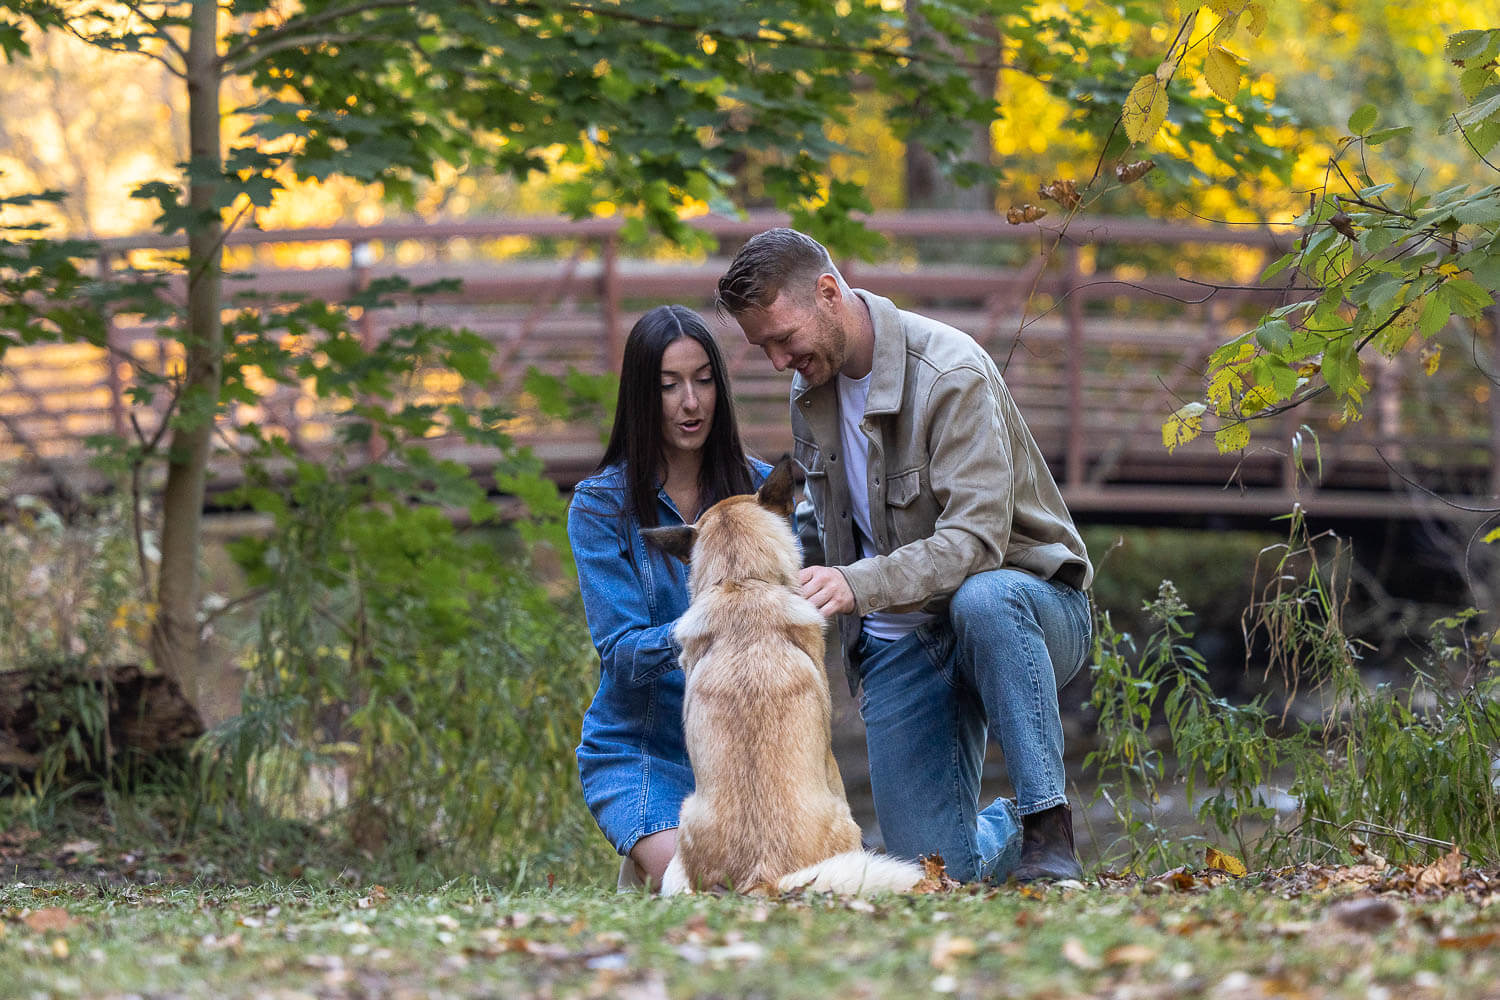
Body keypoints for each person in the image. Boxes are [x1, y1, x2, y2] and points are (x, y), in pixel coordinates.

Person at [716, 229, 1095, 884]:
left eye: (783, 339)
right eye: (764, 348)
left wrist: (855, 583)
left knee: (985, 598)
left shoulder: (951, 373)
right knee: (929, 876)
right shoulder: (811, 391)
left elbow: (978, 543)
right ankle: (1004, 830)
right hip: (902, 642)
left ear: (829, 294)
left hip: (1028, 611)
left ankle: (1047, 823)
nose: (778, 361)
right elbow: (826, 521)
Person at [568, 304, 771, 891]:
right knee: (710, 889)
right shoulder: (600, 506)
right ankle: (652, 858)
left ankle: (1008, 824)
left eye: (704, 379)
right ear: (641, 396)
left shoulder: (763, 493)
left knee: (797, 888)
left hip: (750, 752)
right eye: (669, 385)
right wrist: (716, 616)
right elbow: (623, 654)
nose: (691, 402)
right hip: (644, 750)